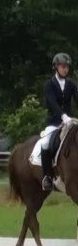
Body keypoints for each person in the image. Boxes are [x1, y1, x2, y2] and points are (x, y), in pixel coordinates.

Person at [41, 53, 78, 191]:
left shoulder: (71, 84)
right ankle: (47, 177)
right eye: (63, 66)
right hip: (54, 122)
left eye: (67, 67)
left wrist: (69, 118)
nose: (65, 69)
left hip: (70, 122)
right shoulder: (49, 85)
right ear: (56, 67)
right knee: (45, 144)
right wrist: (63, 116)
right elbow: (52, 103)